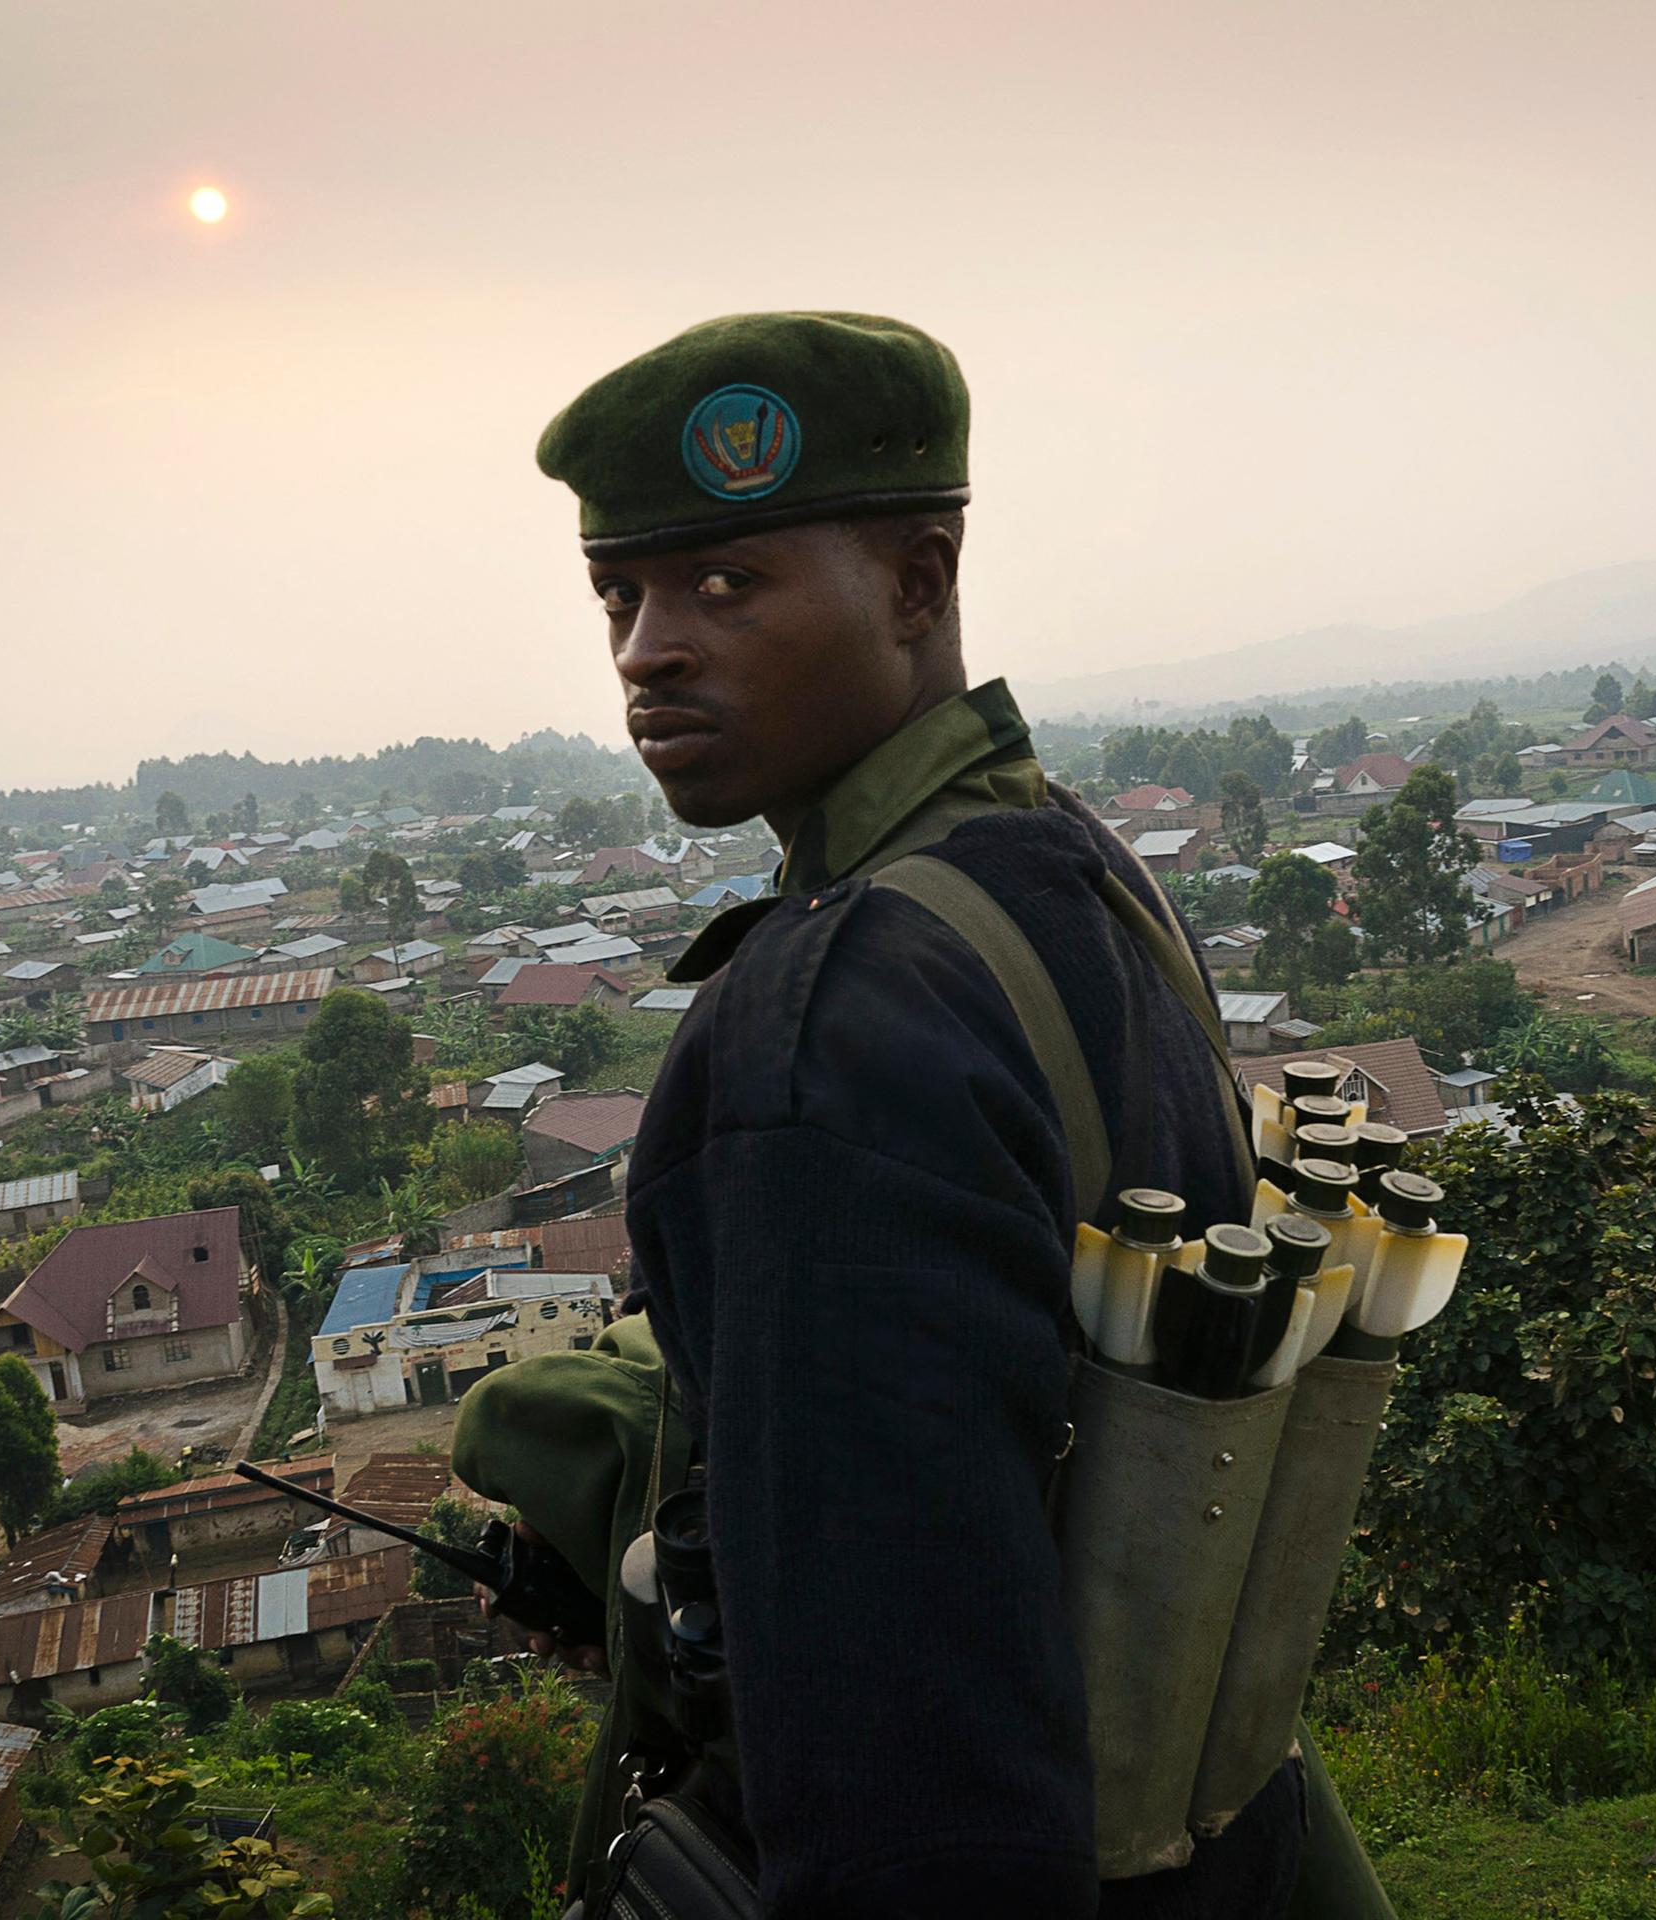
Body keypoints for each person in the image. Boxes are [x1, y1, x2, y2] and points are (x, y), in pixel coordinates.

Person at [470, 312, 1307, 1917]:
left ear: (919, 584)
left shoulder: (827, 1021)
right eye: (621, 596)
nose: (649, 647)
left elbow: (898, 1758)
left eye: (727, 585)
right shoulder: (1068, 871)